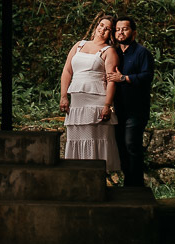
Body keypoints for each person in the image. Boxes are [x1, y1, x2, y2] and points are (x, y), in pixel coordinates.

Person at [59, 13, 121, 171]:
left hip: (97, 102)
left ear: (111, 34)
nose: (102, 30)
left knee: (95, 139)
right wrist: (64, 96)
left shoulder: (109, 51)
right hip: (77, 103)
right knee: (76, 138)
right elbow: (67, 70)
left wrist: (107, 105)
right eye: (101, 25)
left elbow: (111, 79)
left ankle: (97, 177)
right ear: (96, 25)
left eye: (107, 29)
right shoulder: (79, 45)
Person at [109, 17, 154, 187]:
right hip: (118, 108)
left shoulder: (142, 53)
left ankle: (136, 186)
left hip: (136, 109)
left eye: (125, 29)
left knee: (131, 145)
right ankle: (128, 184)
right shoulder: (114, 53)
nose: (120, 32)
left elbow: (147, 76)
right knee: (121, 146)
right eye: (118, 29)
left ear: (133, 33)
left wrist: (124, 78)